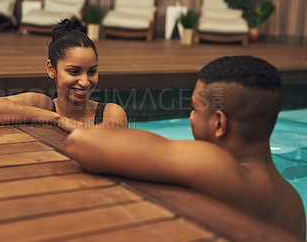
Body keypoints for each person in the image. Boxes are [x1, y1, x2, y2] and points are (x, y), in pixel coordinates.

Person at [65, 55, 306, 238]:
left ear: (219, 123)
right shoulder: (294, 201)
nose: (190, 116)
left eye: (194, 108)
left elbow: (82, 142)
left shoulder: (218, 166)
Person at [0, 19, 128, 131]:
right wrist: (57, 119)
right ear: (51, 69)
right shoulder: (43, 104)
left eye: (92, 71)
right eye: (74, 71)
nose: (86, 82)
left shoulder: (110, 113)